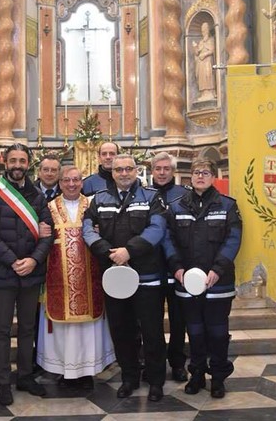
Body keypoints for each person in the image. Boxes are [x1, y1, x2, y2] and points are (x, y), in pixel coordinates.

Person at [83, 154, 168, 402]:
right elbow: (87, 228)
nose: (123, 173)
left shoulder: (152, 197)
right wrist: (106, 251)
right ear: (112, 172)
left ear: (136, 171)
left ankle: (155, 381)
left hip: (147, 277)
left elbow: (157, 229)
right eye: (118, 169)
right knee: (122, 331)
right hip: (114, 277)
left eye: (128, 169)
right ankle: (129, 377)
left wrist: (129, 250)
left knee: (152, 332)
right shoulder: (98, 200)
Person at [0, 143, 54, 406]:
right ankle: (4, 382)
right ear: (4, 161)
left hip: (31, 273)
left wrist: (33, 260)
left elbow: (47, 233)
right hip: (2, 273)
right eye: (13, 160)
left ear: (28, 163)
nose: (18, 165)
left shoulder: (37, 196)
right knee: (2, 329)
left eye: (22, 160)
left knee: (28, 328)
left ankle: (25, 376)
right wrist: (13, 260)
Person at [164, 158, 242, 398]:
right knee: (195, 330)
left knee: (218, 332)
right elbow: (168, 240)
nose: (200, 176)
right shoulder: (177, 207)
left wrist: (217, 270)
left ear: (212, 176)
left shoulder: (227, 206)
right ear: (190, 177)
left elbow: (233, 239)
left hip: (219, 282)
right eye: (196, 172)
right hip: (187, 282)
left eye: (205, 172)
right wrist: (176, 267)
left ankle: (218, 377)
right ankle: (197, 373)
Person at [37, 166, 116, 388]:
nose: (71, 184)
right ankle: (64, 371)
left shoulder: (94, 205)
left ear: (82, 182)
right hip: (59, 280)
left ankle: (88, 371)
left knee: (88, 327)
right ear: (60, 183)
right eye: (66, 181)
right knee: (63, 328)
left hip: (90, 278)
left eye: (76, 180)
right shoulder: (49, 208)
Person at [150, 152, 189, 382]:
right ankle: (152, 363)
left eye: (166, 168)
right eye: (158, 168)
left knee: (178, 319)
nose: (162, 172)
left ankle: (177, 363)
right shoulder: (144, 194)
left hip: (178, 267)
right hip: (152, 266)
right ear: (152, 170)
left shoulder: (184, 195)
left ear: (173, 171)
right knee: (151, 321)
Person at [192, 22, 216, 101]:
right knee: (201, 77)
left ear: (208, 30)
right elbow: (197, 52)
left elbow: (212, 50)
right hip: (201, 63)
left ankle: (210, 92)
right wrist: (195, 46)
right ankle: (204, 93)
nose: (203, 32)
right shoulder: (201, 42)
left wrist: (204, 55)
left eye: (205, 30)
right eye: (202, 30)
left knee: (208, 76)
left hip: (207, 62)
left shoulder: (211, 40)